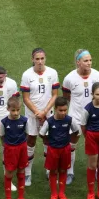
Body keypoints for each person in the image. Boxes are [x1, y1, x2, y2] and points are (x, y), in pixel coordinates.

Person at [62, 49, 99, 185]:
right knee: (71, 144)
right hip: (75, 116)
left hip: (93, 117)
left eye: (90, 60)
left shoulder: (97, 76)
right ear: (78, 62)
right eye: (86, 61)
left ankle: (96, 170)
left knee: (95, 145)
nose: (89, 63)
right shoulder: (69, 78)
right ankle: (70, 172)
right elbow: (66, 96)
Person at [21, 48, 60, 185]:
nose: (40, 61)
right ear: (32, 59)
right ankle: (27, 173)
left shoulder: (52, 73)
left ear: (45, 59)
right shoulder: (27, 75)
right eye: (37, 59)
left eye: (42, 58)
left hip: (48, 114)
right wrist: (38, 112)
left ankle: (49, 170)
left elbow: (55, 94)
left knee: (47, 140)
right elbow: (25, 98)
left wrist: (45, 112)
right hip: (32, 115)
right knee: (30, 141)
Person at [39, 97, 80, 199]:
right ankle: (53, 195)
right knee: (53, 172)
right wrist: (48, 141)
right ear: (55, 109)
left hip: (65, 149)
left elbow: (77, 132)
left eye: (65, 110)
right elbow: (42, 133)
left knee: (63, 170)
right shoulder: (49, 121)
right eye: (60, 110)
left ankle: (61, 194)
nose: (63, 113)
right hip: (53, 150)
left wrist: (70, 142)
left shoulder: (69, 120)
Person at [0, 97, 31, 199]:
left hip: (22, 148)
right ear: (8, 109)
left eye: (17, 110)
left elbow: (27, 134)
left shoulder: (24, 120)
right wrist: (8, 146)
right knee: (9, 172)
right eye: (13, 110)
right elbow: (2, 136)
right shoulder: (4, 122)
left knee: (21, 171)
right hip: (9, 149)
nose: (15, 113)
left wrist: (20, 145)